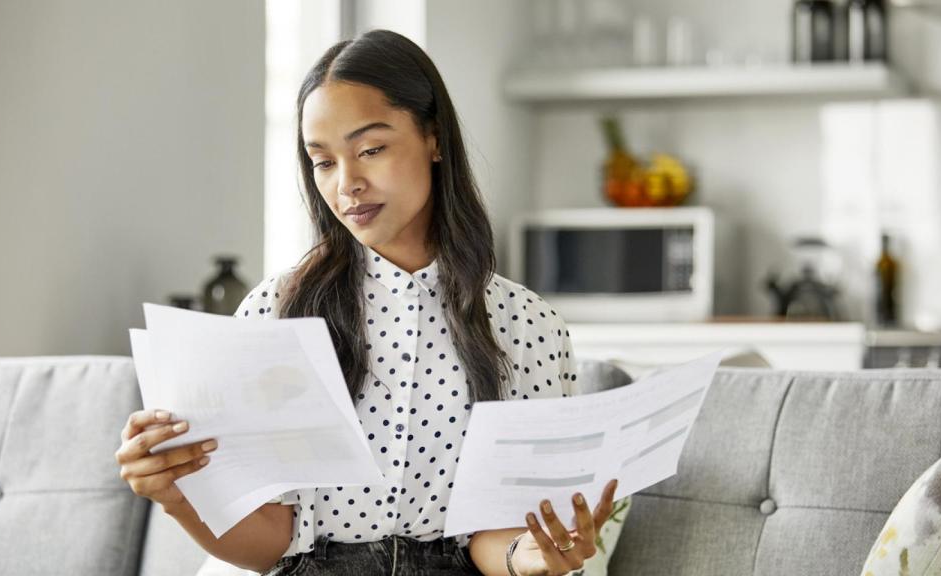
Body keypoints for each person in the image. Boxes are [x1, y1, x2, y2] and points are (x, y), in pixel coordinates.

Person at [115, 29, 620, 576]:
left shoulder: (527, 324)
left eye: (371, 150)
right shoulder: (275, 312)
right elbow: (273, 543)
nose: (347, 184)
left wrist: (532, 557)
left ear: (434, 138)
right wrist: (176, 496)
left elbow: (493, 535)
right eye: (323, 162)